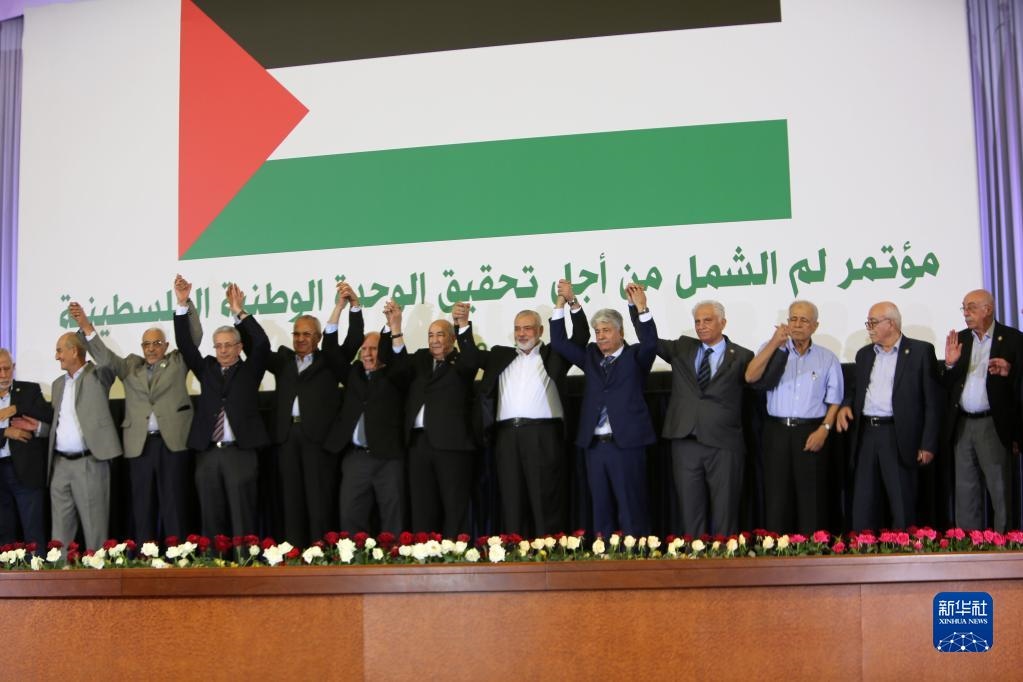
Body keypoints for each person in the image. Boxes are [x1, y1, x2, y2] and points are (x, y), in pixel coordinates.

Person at [68, 280, 201, 543]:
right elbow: (105, 358)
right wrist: (86, 326)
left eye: (156, 343)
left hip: (172, 444)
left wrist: (183, 303)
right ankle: (144, 557)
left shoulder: (178, 361)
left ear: (165, 346)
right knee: (142, 506)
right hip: (139, 447)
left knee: (174, 506)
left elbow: (193, 338)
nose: (151, 348)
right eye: (146, 344)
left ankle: (179, 556)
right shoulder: (130, 366)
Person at [455, 296, 589, 536]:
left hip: (542, 436)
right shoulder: (500, 355)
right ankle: (515, 550)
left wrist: (572, 304)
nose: (522, 333)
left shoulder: (554, 354)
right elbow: (471, 356)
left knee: (544, 498)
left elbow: (580, 337)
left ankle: (549, 550)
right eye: (517, 328)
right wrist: (463, 324)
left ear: (540, 331)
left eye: (527, 328)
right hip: (506, 437)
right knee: (511, 499)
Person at [256, 281, 363, 547]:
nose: (300, 339)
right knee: (291, 501)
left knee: (319, 501)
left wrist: (352, 307)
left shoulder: (330, 361)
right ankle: (294, 554)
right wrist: (239, 315)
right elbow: (254, 347)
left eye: (306, 334)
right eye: (296, 334)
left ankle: (320, 553)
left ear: (318, 338)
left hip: (317, 440)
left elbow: (353, 340)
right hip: (287, 438)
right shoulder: (283, 361)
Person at [549, 281, 656, 539]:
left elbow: (651, 342)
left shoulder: (636, 356)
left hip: (626, 444)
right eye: (597, 332)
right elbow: (559, 342)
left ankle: (635, 552)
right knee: (600, 505)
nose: (600, 336)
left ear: (620, 332)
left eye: (606, 330)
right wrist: (565, 303)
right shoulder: (591, 357)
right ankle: (603, 552)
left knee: (630, 504)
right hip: (595, 445)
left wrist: (640, 309)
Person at [175, 277, 270, 540]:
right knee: (211, 518)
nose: (224, 350)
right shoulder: (206, 369)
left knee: (242, 518)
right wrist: (182, 305)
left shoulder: (250, 371)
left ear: (239, 348)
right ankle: (213, 561)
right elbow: (185, 346)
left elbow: (262, 344)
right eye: (219, 345)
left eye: (229, 345)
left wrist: (239, 312)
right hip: (208, 454)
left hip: (240, 454)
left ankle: (245, 559)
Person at [650, 299, 753, 538]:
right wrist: (640, 309)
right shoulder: (682, 348)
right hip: (686, 442)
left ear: (723, 323)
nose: (701, 326)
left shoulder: (742, 355)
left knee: (725, 512)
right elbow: (650, 341)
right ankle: (693, 557)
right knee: (690, 512)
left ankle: (725, 558)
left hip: (723, 444)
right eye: (697, 321)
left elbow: (760, 382)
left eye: (707, 320)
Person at [837, 301, 942, 531]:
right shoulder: (864, 354)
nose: (869, 328)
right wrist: (845, 405)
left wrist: (928, 444)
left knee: (901, 502)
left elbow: (932, 402)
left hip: (898, 434)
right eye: (868, 323)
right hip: (866, 434)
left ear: (891, 324)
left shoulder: (920, 352)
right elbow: (855, 389)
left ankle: (903, 549)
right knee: (863, 502)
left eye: (873, 323)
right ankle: (863, 547)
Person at [745, 301, 843, 535]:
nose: (797, 324)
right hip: (776, 431)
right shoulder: (772, 349)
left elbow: (835, 399)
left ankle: (811, 549)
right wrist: (774, 344)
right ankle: (777, 548)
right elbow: (750, 376)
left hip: (810, 431)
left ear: (815, 326)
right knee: (777, 497)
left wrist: (824, 429)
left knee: (811, 498)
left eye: (804, 320)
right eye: (793, 319)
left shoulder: (827, 358)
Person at [386, 303, 478, 538]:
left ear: (452, 338)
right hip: (418, 444)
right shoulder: (420, 360)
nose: (434, 340)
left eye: (440, 335)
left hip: (452, 446)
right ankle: (424, 551)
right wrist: (395, 328)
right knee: (422, 505)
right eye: (430, 335)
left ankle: (455, 552)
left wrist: (463, 324)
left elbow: (472, 361)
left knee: (454, 505)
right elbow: (398, 371)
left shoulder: (461, 362)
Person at [939, 289, 1022, 532]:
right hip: (963, 424)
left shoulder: (1013, 339)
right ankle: (968, 543)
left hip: (994, 424)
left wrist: (1010, 371)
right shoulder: (961, 339)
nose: (966, 313)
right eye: (964, 308)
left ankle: (1004, 543)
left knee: (1000, 490)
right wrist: (950, 364)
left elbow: (1020, 387)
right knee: (965, 490)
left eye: (971, 307)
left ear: (988, 309)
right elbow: (946, 385)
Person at [325, 305, 405, 535]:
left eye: (374, 348)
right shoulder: (353, 374)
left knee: (392, 519)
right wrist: (340, 308)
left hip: (388, 459)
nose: (368, 354)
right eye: (364, 349)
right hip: (356, 459)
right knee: (350, 517)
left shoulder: (395, 375)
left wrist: (395, 326)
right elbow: (330, 351)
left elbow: (400, 359)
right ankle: (355, 558)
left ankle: (394, 557)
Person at [48, 327, 123, 550]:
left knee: (94, 531)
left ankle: (95, 571)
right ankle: (60, 570)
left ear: (74, 351)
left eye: (60, 350)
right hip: (60, 465)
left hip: (89, 463)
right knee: (59, 535)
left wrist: (87, 329)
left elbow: (107, 362)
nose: (57, 356)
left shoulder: (98, 375)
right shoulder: (58, 384)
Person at [0, 349, 53, 550]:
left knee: (33, 531)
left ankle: (37, 567)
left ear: (14, 368)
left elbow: (48, 415)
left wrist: (16, 408)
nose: (3, 374)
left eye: (7, 368)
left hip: (25, 471)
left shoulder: (29, 390)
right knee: (4, 531)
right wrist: (6, 432)